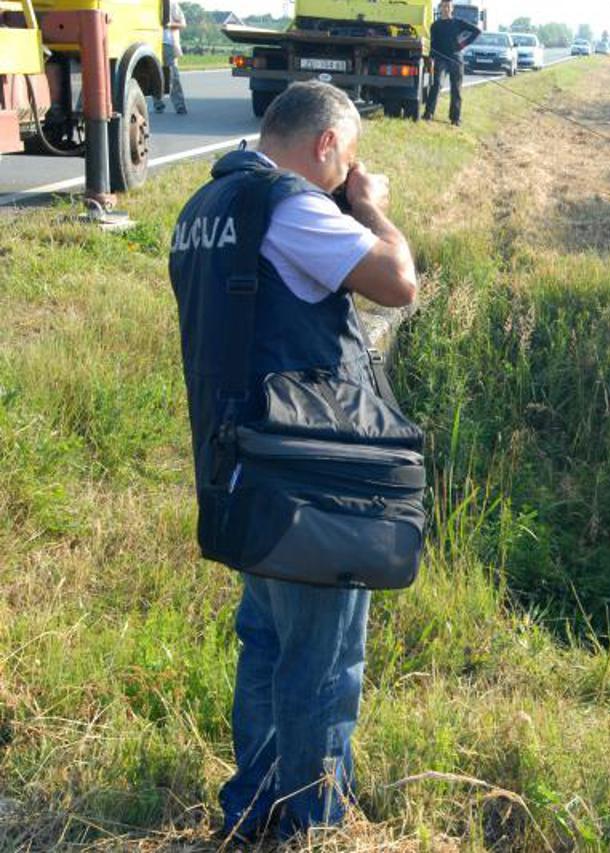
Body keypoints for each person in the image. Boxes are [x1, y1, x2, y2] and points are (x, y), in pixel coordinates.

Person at [168, 81, 417, 842]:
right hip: (307, 473)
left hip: (240, 458)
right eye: (349, 160)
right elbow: (397, 283)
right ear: (326, 145)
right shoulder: (292, 206)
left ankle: (253, 805)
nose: (347, 174)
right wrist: (368, 204)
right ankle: (311, 819)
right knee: (324, 655)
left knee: (267, 640)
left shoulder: (205, 207)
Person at [426, 0, 481, 126]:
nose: (445, 9)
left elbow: (477, 31)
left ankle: (455, 118)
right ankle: (428, 113)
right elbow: (432, 45)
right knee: (436, 85)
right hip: (440, 59)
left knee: (456, 89)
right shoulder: (435, 25)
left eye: (448, 6)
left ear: (452, 9)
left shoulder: (458, 23)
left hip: (455, 58)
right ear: (440, 8)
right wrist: (430, 58)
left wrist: (463, 44)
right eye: (443, 6)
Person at [155, 1, 187, 114]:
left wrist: (169, 24)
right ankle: (158, 104)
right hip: (153, 43)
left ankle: (179, 105)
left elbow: (183, 24)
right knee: (155, 74)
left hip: (168, 43)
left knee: (173, 75)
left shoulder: (172, 4)